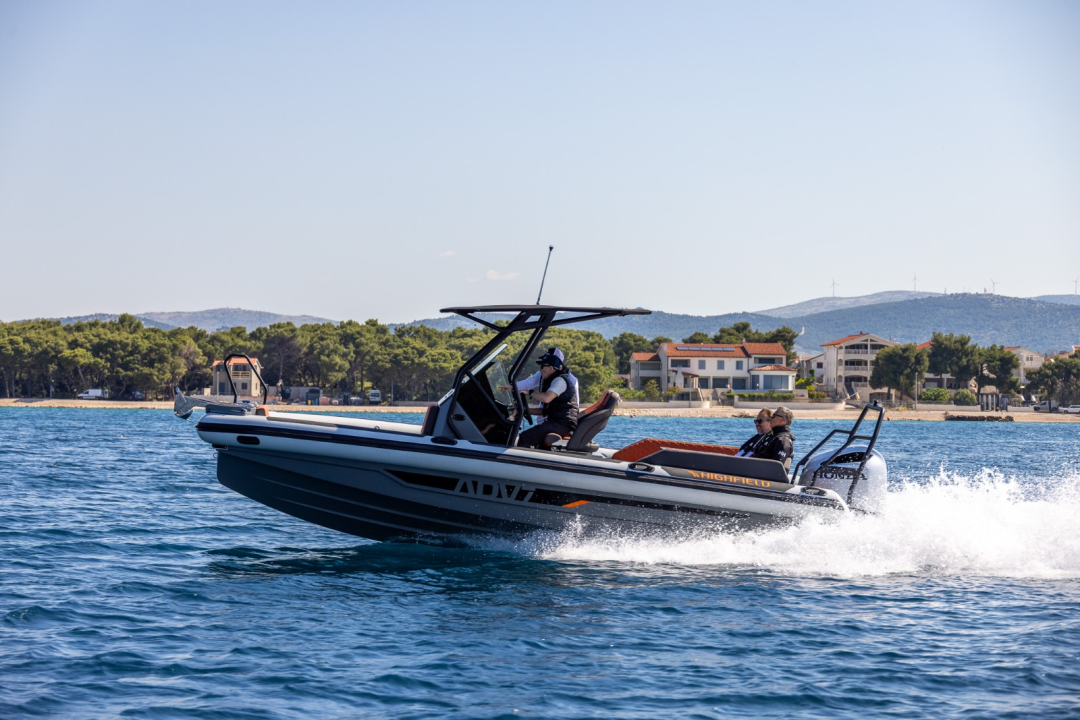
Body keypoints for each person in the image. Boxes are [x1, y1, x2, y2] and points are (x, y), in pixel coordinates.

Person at [513, 348, 580, 449]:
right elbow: (545, 411)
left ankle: (517, 459)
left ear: (551, 368)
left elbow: (546, 398)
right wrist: (524, 410)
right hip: (558, 423)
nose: (539, 370)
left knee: (525, 437)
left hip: (562, 425)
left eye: (542, 366)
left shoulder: (560, 381)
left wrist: (530, 392)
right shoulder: (553, 381)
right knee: (536, 440)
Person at [757, 406, 795, 470]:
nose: (770, 418)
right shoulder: (771, 436)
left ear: (783, 420)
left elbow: (776, 467)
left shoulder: (783, 440)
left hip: (761, 474)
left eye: (774, 415)